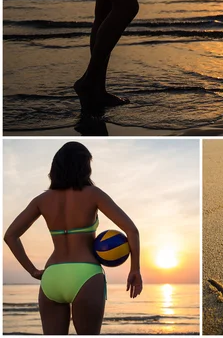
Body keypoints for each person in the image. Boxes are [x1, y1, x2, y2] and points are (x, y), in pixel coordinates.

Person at [4, 141, 142, 335]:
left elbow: (10, 236)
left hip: (52, 276)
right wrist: (135, 269)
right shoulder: (93, 194)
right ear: (84, 166)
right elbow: (132, 230)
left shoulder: (41, 200)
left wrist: (33, 271)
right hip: (86, 274)